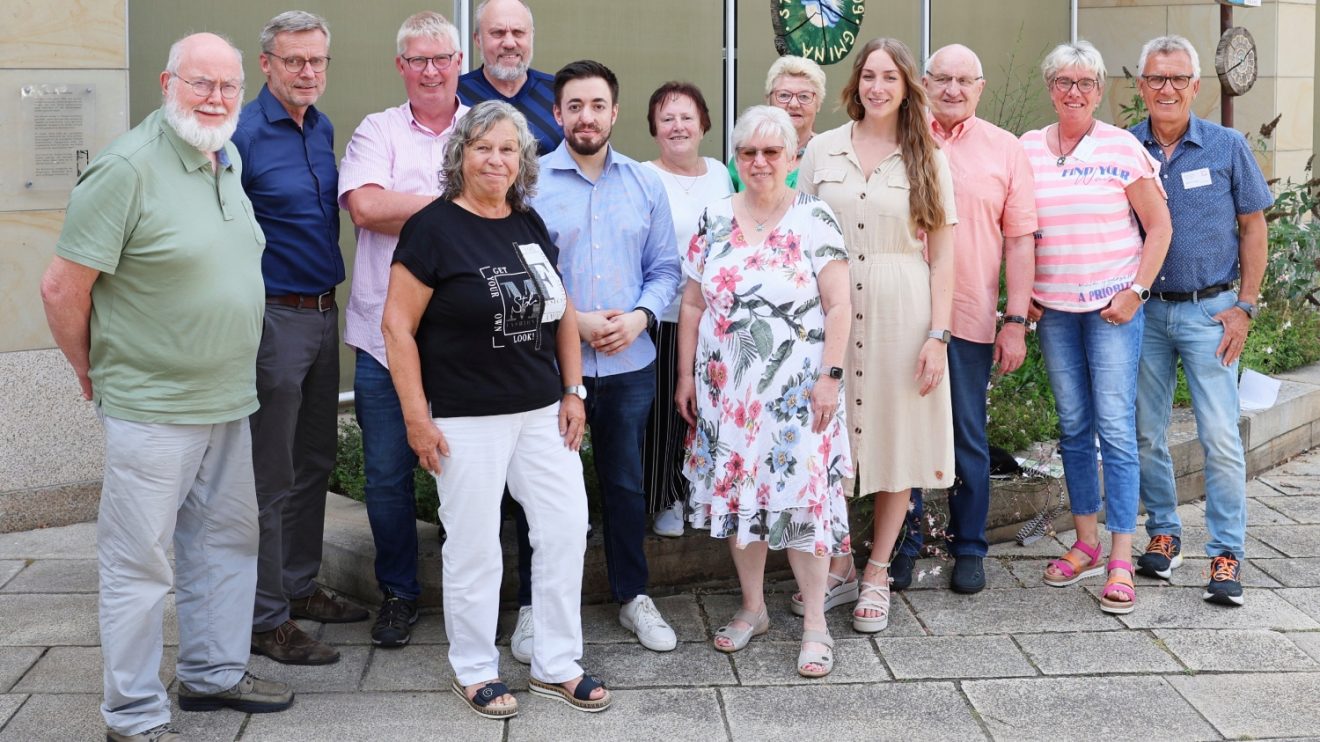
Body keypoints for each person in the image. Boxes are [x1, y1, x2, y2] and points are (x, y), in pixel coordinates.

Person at [40, 32, 293, 742]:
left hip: (228, 399)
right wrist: (91, 368)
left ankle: (212, 677)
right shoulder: (127, 168)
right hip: (153, 407)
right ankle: (133, 713)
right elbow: (62, 288)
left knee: (225, 544)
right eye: (200, 83)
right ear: (166, 82)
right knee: (139, 563)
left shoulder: (225, 153)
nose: (215, 98)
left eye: (227, 87)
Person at [382, 100, 609, 719]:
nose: (496, 159)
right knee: (476, 545)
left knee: (564, 528)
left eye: (509, 149)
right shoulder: (431, 229)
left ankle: (557, 663)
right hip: (464, 417)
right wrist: (415, 418)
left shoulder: (528, 224)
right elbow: (397, 328)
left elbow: (561, 311)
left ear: (522, 161)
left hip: (541, 412)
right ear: (461, 155)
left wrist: (573, 390)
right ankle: (475, 668)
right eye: (484, 147)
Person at [676, 105, 852, 677]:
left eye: (772, 152)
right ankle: (753, 609)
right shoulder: (713, 217)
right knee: (740, 502)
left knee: (804, 505)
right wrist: (685, 378)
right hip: (729, 397)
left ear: (793, 158)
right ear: (735, 159)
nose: (759, 162)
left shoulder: (814, 218)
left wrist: (830, 378)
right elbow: (693, 303)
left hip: (800, 398)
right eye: (748, 152)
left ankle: (816, 625)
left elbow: (839, 304)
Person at [798, 37, 957, 634]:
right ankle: (837, 561)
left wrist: (938, 335)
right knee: (825, 438)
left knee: (897, 438)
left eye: (890, 77)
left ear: (906, 85)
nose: (878, 87)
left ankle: (877, 572)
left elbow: (944, 258)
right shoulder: (821, 148)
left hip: (902, 307)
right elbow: (800, 233)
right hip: (828, 308)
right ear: (856, 83)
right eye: (869, 75)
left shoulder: (927, 156)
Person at [525, 59, 682, 654]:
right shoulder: (530, 181)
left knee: (622, 482)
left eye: (597, 106)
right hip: (547, 366)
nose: (585, 117)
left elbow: (666, 269)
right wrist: (574, 319)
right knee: (537, 490)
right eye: (574, 106)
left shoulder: (644, 183)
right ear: (557, 113)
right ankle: (532, 607)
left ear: (614, 113)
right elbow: (516, 269)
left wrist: (641, 316)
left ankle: (632, 596)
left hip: (629, 363)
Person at [233, 10, 366, 668]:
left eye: (317, 61)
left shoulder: (322, 129)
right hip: (273, 318)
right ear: (267, 64)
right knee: (271, 472)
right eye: (294, 61)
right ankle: (265, 618)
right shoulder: (240, 135)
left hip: (323, 311)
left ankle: (298, 585)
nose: (308, 72)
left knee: (315, 459)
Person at [1022, 41, 1171, 614]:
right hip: (1055, 310)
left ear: (1101, 89)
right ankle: (1084, 543)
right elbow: (1018, 224)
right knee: (1074, 425)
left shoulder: (1122, 146)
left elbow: (1158, 227)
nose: (1074, 92)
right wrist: (1025, 293)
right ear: (1050, 87)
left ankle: (1120, 556)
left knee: (1114, 424)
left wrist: (1136, 292)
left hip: (1113, 310)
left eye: (1085, 82)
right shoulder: (1029, 148)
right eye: (1063, 81)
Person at [339, 10, 469, 648]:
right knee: (387, 474)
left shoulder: (485, 129)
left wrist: (413, 211)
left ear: (458, 62)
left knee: (467, 469)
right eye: (417, 59)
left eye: (440, 58)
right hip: (382, 336)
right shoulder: (377, 130)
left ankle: (467, 585)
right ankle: (398, 593)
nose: (429, 70)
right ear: (401, 67)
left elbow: (512, 205)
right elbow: (366, 206)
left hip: (466, 339)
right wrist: (460, 208)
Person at [1130, 35, 1273, 606]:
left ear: (1195, 85)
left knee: (1218, 435)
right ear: (1141, 85)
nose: (1167, 88)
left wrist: (1246, 305)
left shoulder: (1226, 146)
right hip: (1143, 316)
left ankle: (1226, 554)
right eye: (1156, 78)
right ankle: (1164, 532)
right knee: (1144, 432)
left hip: (1212, 313)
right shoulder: (1122, 147)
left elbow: (1253, 228)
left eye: (1177, 78)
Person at [891, 44, 1038, 594]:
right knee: (902, 434)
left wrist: (1016, 319)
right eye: (942, 78)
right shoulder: (899, 139)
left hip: (970, 317)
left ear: (980, 87)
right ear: (924, 82)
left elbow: (1021, 240)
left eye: (964, 81)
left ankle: (969, 546)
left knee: (967, 438)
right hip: (901, 315)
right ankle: (900, 546)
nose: (952, 89)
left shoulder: (1005, 150)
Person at [643, 81, 735, 538]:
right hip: (665, 315)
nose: (678, 126)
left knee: (709, 409)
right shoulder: (643, 175)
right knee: (665, 411)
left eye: (686, 117)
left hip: (717, 317)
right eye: (667, 118)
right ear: (655, 130)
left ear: (703, 124)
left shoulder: (720, 172)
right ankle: (664, 498)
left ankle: (703, 491)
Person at [458, 0, 562, 155]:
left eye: (518, 32)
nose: (509, 43)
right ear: (478, 39)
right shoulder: (456, 96)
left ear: (531, 36)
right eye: (497, 33)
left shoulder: (560, 93)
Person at [729, 55, 827, 191]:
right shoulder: (746, 156)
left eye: (804, 96)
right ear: (768, 100)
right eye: (784, 95)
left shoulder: (828, 155)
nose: (794, 104)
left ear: (818, 103)